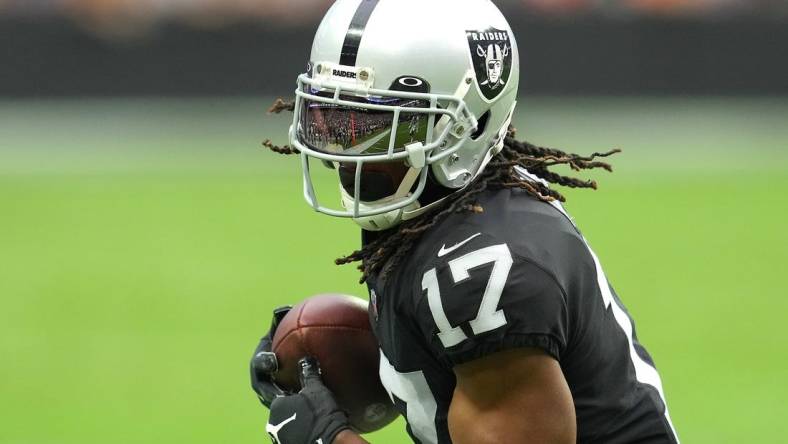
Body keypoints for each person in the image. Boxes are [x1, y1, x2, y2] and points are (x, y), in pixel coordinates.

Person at [251, 0, 679, 443]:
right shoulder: (449, 206)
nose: (350, 153)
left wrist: (327, 438)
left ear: (471, 124)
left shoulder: (482, 273)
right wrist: (339, 364)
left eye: (380, 125)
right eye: (336, 121)